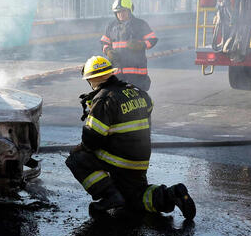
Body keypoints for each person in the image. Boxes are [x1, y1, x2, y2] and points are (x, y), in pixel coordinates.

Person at [65, 55, 195, 219]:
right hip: (140, 159)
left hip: (118, 160)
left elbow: (91, 139)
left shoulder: (104, 99)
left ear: (92, 79)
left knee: (75, 159)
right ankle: (172, 194)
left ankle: (108, 194)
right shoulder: (137, 92)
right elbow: (148, 108)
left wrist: (80, 147)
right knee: (136, 197)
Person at [100, 0, 157, 91]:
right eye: (118, 12)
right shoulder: (111, 26)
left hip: (136, 73)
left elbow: (152, 39)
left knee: (137, 101)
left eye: (123, 11)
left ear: (130, 11)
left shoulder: (140, 24)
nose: (121, 14)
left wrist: (141, 45)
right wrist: (108, 51)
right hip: (117, 72)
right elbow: (104, 42)